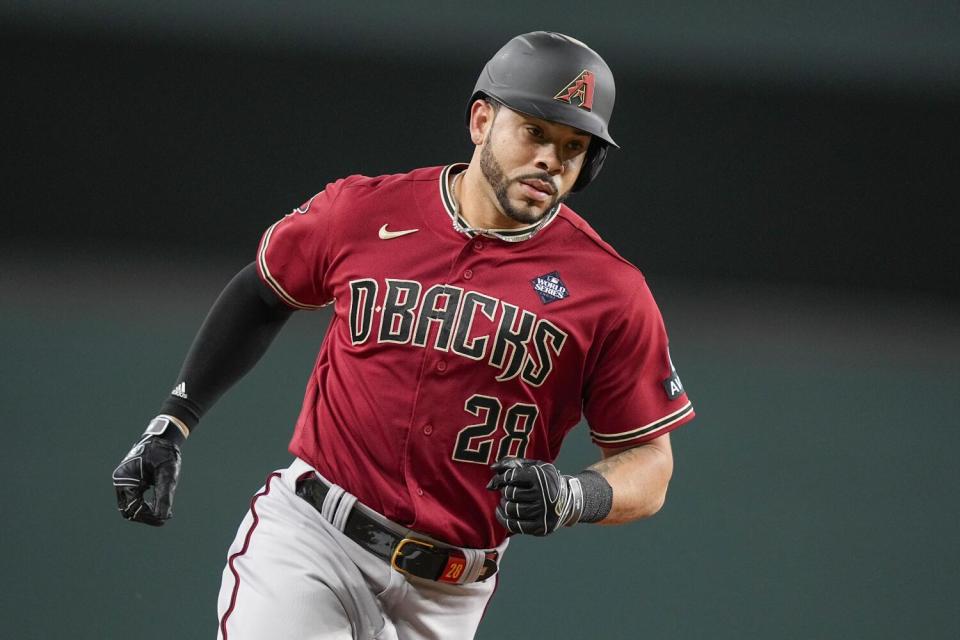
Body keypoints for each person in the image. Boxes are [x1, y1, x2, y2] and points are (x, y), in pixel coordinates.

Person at [112, 31, 695, 639]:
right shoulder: (363, 212)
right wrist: (171, 422)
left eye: (574, 146)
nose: (552, 158)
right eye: (535, 132)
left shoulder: (609, 290)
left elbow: (651, 466)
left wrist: (575, 495)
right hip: (314, 540)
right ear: (480, 120)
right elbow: (264, 291)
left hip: (449, 593)